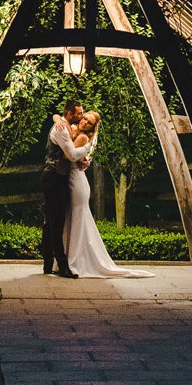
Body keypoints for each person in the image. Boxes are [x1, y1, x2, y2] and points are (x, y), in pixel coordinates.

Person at [63, 110, 154, 279]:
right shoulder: (77, 131)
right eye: (84, 118)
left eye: (88, 122)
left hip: (76, 181)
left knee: (76, 218)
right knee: (73, 218)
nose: (83, 122)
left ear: (92, 127)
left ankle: (73, 261)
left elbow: (69, 155)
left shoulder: (83, 137)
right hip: (74, 178)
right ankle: (68, 259)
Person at [40, 100, 90, 277]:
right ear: (69, 113)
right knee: (56, 222)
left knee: (51, 221)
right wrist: (87, 147)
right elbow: (71, 154)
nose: (81, 116)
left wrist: (83, 160)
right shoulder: (61, 129)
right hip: (53, 177)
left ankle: (48, 264)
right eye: (78, 113)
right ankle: (62, 266)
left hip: (57, 177)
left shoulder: (66, 126)